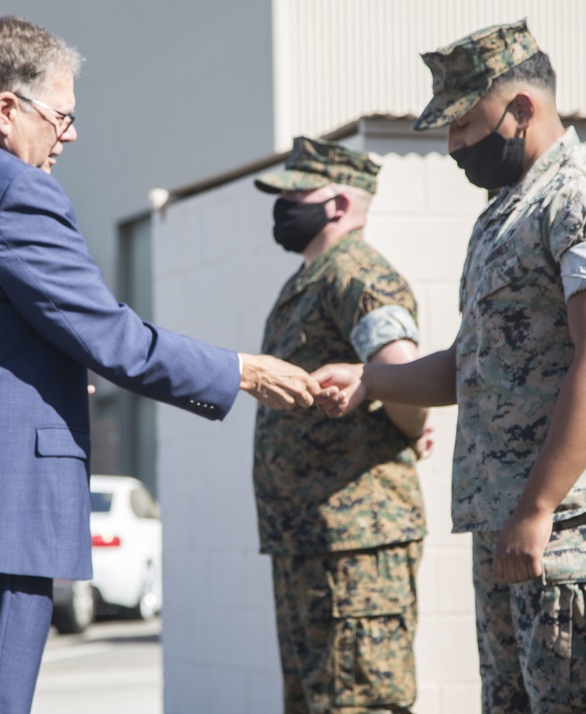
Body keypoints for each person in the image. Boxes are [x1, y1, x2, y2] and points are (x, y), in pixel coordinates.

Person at [0, 15, 319, 714]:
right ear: (7, 110)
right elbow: (112, 338)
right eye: (60, 116)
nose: (70, 134)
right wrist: (243, 371)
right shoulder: (13, 191)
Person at [314, 20, 586, 714]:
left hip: (576, 533)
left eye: (462, 124)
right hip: (513, 533)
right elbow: (473, 362)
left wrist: (538, 508)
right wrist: (371, 381)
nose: (452, 147)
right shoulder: (504, 216)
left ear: (521, 108)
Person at [252, 136, 432, 714]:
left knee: (361, 703)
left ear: (336, 205)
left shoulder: (358, 272)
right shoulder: (312, 277)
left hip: (357, 546)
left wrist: (408, 429)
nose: (282, 206)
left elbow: (399, 370)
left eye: (294, 193)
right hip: (312, 540)